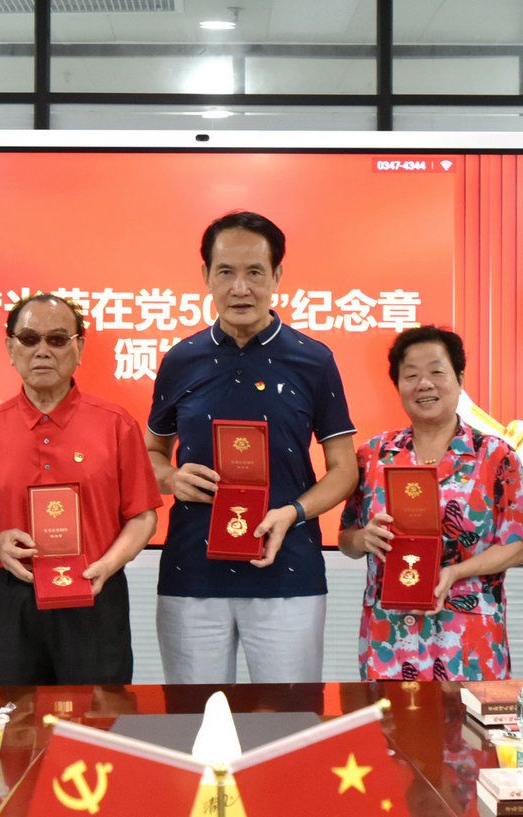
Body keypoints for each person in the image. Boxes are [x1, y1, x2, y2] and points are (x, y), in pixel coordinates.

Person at [145, 210, 358, 684]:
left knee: (289, 717)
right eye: (226, 272)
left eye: (255, 272)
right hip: (192, 570)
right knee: (194, 717)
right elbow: (151, 453)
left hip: (288, 570)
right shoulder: (181, 359)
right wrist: (171, 478)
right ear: (206, 276)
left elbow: (344, 470)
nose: (240, 288)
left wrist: (294, 513)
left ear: (277, 276)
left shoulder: (314, 359)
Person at [0, 293, 160, 685]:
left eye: (58, 339)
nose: (43, 351)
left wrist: (108, 565)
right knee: (14, 716)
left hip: (96, 594)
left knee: (98, 716)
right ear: (10, 348)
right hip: (15, 599)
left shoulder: (116, 424)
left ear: (79, 348)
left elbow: (143, 516)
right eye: (29, 339)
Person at [339, 326, 523, 681]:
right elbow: (346, 539)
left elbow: (519, 545)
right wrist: (363, 539)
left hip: (469, 636)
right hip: (389, 635)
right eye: (411, 375)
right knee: (390, 719)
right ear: (398, 386)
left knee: (470, 719)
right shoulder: (373, 455)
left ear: (459, 379)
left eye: (436, 372)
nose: (424, 384)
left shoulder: (496, 455)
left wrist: (456, 572)